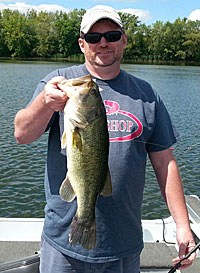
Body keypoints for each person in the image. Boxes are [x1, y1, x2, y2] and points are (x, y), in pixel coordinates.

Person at [14, 5, 196, 273]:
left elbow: (164, 163)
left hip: (123, 242)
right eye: (93, 37)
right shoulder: (58, 83)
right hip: (63, 242)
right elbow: (21, 135)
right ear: (81, 43)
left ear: (123, 39)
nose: (102, 43)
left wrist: (182, 224)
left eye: (111, 36)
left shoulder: (146, 95)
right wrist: (45, 102)